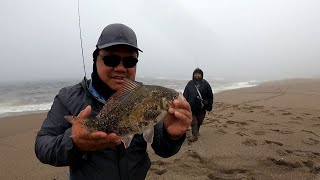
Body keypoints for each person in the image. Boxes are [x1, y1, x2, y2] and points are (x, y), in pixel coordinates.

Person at [35, 23, 192, 180]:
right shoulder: (68, 97)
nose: (121, 68)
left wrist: (171, 136)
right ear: (95, 59)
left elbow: (162, 149)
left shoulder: (147, 97)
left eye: (130, 62)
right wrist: (74, 143)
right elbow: (43, 146)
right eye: (111, 59)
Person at [183, 68, 213, 142]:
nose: (197, 75)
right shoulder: (190, 83)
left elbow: (210, 96)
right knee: (194, 122)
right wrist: (184, 105)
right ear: (193, 75)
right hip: (191, 107)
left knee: (199, 121)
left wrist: (208, 106)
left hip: (201, 108)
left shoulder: (205, 84)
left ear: (201, 75)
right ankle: (194, 136)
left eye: (199, 74)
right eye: (195, 74)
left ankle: (196, 131)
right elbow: (185, 95)